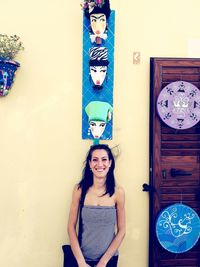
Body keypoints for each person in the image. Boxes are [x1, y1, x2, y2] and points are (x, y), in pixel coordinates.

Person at [68, 144, 125, 267]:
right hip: (83, 259)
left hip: (109, 260)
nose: (100, 164)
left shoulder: (118, 192)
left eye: (104, 159)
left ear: (110, 163)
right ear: (89, 164)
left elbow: (122, 231)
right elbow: (71, 227)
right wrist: (81, 262)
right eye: (95, 160)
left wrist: (103, 262)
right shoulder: (79, 190)